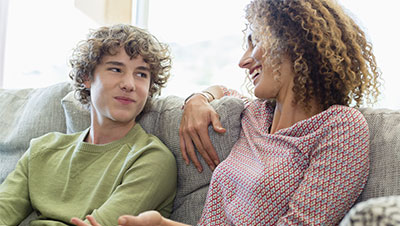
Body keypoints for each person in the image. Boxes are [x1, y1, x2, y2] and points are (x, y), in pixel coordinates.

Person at [70, 0, 381, 225]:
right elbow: (224, 90)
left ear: (292, 44)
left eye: (253, 42)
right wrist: (198, 98)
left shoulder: (340, 127)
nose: (243, 62)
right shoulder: (256, 115)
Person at [0, 24, 177, 225]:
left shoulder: (151, 159)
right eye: (116, 69)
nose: (129, 84)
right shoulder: (41, 150)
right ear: (87, 77)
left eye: (141, 74)